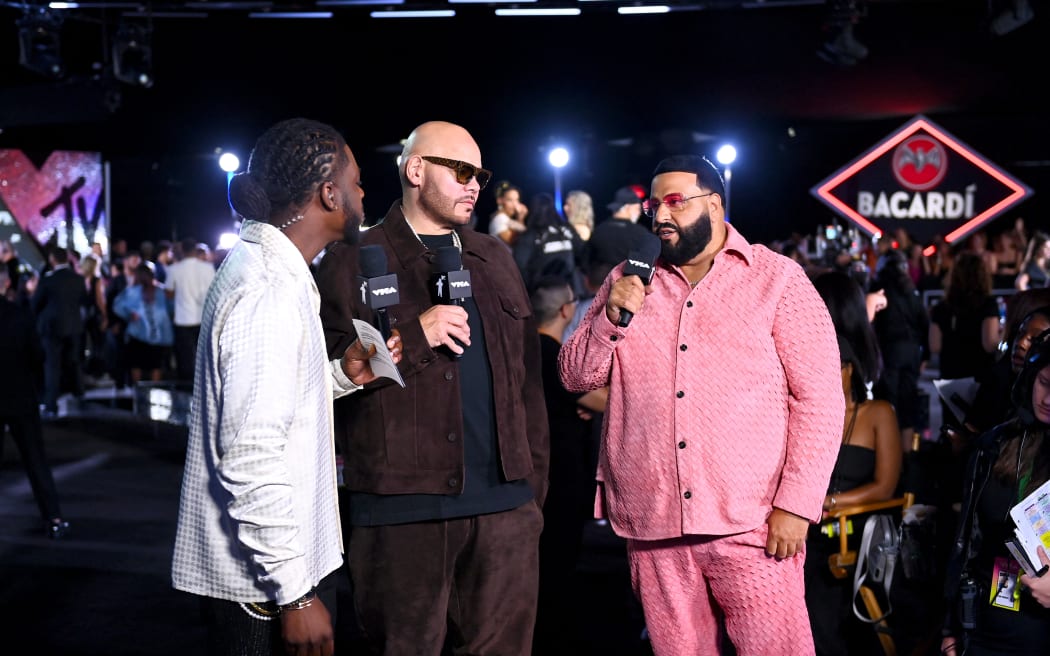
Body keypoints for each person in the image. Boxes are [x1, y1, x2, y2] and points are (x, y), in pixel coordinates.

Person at [558, 154, 844, 655]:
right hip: (653, 524)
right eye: (654, 206)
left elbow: (819, 399)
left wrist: (797, 505)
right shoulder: (629, 279)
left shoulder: (777, 280)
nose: (660, 216)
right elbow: (576, 375)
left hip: (754, 525)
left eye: (675, 202)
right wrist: (610, 316)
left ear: (714, 204)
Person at [314, 120, 549, 655]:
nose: (474, 185)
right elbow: (328, 376)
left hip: (506, 512)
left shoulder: (496, 257)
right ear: (415, 169)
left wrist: (530, 497)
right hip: (401, 515)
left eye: (480, 176)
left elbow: (527, 386)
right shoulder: (352, 259)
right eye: (461, 170)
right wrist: (413, 336)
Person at [171, 117, 402, 656]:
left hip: (273, 574)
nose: (364, 193)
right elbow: (250, 453)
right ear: (328, 193)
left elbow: (269, 408)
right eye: (357, 181)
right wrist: (297, 596)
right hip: (266, 589)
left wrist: (344, 373)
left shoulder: (274, 269)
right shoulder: (268, 289)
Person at [806, 271, 902, 656]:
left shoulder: (878, 412)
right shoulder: (811, 416)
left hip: (862, 526)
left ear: (851, 368)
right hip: (812, 524)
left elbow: (885, 488)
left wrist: (829, 505)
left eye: (840, 366)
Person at [940, 329, 1050, 656]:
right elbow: (967, 542)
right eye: (1045, 382)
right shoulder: (995, 445)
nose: (1048, 399)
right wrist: (953, 624)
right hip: (989, 619)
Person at [529, 276, 608, 655]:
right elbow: (600, 400)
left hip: (533, 476)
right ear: (566, 310)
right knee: (558, 564)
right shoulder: (558, 359)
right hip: (561, 475)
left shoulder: (524, 352)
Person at [0, 266, 70, 539]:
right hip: (20, 396)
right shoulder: (20, 315)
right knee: (35, 460)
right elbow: (37, 356)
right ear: (7, 285)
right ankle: (53, 517)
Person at [30, 245, 86, 418]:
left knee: (52, 366)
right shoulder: (78, 279)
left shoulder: (48, 279)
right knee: (74, 362)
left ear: (52, 259)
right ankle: (79, 397)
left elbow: (35, 304)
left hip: (52, 328)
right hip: (74, 326)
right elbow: (84, 300)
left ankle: (51, 405)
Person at [511, 191, 585, 295]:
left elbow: (519, 267)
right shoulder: (567, 230)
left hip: (544, 296)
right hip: (571, 293)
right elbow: (584, 254)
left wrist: (531, 291)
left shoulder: (530, 236)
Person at [164, 238, 216, 383]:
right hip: (204, 318)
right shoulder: (208, 268)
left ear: (182, 251)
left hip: (183, 318)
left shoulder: (174, 269)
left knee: (185, 357)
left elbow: (168, 293)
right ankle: (205, 385)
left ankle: (186, 388)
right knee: (205, 355)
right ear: (194, 250)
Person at [113, 262, 175, 383]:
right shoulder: (161, 291)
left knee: (138, 363)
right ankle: (152, 393)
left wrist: (129, 315)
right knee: (155, 364)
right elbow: (172, 309)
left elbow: (118, 306)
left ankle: (139, 394)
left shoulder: (133, 291)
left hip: (139, 334)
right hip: (158, 334)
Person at [583, 185, 649, 272]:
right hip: (629, 283)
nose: (639, 213)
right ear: (627, 207)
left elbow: (586, 263)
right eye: (637, 208)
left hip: (600, 282)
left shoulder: (599, 230)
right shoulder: (641, 233)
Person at [488, 180, 528, 247]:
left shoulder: (506, 219)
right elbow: (514, 241)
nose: (515, 205)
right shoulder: (499, 219)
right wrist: (520, 218)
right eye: (510, 200)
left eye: (517, 200)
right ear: (500, 201)